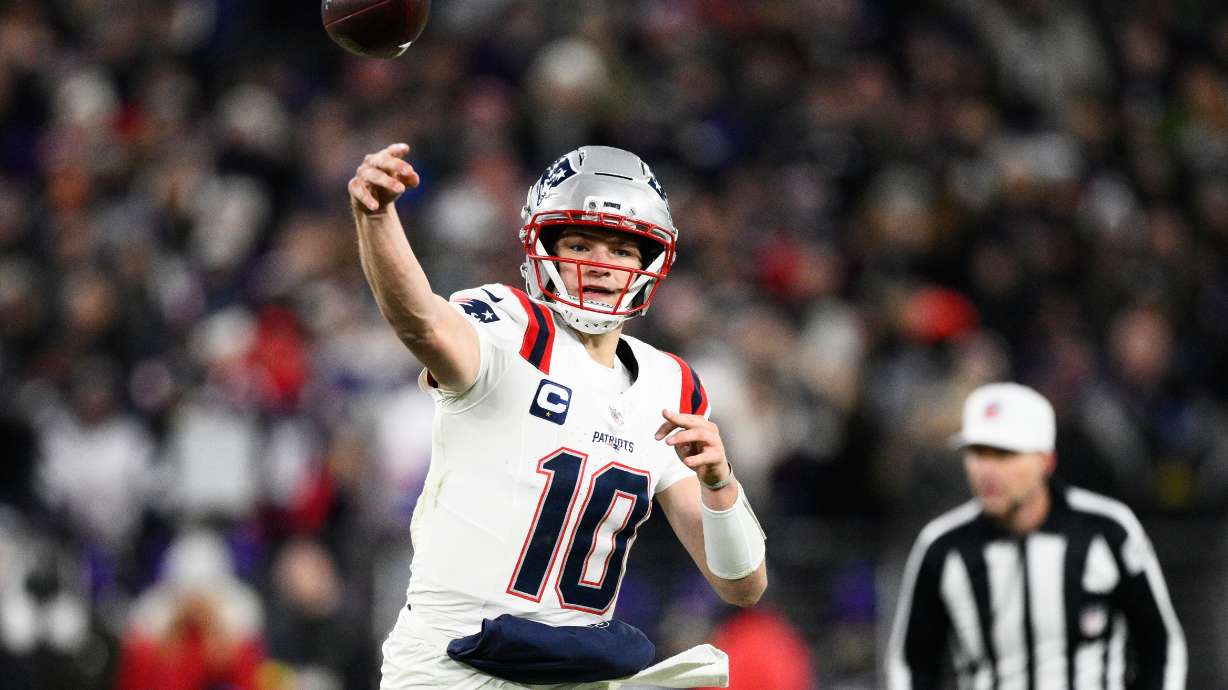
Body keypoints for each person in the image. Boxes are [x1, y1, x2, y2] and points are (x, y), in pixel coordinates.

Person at [347, 143, 767, 688]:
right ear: (542, 246)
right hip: (452, 668)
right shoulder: (510, 328)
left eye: (621, 250)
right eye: (579, 243)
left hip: (572, 672)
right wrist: (377, 218)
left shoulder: (669, 384)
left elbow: (742, 586)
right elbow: (422, 323)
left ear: (649, 263)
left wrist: (719, 483)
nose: (600, 265)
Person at [886, 382, 1186, 689]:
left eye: (1004, 454)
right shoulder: (942, 547)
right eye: (977, 452)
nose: (986, 470)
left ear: (1046, 461)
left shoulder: (1107, 530)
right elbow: (912, 664)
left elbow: (1160, 646)